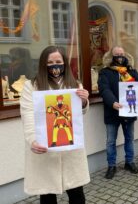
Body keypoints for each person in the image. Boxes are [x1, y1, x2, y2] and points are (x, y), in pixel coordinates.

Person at [20, 46, 90, 204]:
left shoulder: (74, 84)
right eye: (50, 62)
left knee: (77, 194)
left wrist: (84, 101)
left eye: (58, 61)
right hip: (45, 148)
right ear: (43, 64)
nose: (54, 65)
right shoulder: (32, 86)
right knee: (47, 195)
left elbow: (80, 113)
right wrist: (33, 140)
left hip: (71, 149)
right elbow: (28, 114)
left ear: (64, 63)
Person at [98, 45, 138, 179]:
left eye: (122, 54)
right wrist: (113, 102)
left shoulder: (130, 71)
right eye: (117, 54)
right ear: (111, 56)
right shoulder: (105, 72)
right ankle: (111, 165)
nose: (120, 57)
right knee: (110, 141)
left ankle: (130, 162)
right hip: (113, 111)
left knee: (129, 138)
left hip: (128, 112)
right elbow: (104, 89)